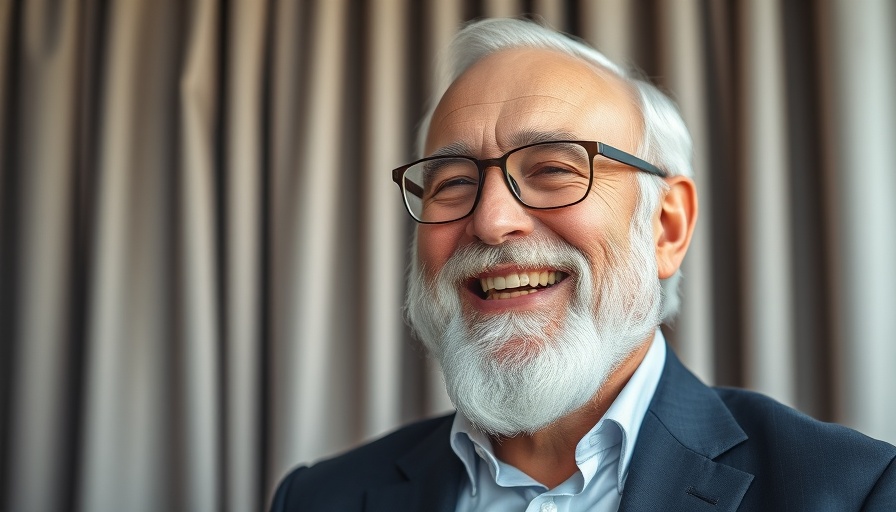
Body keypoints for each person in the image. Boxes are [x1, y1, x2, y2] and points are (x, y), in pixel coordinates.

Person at [271, 18, 895, 511]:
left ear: (666, 226)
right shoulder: (318, 499)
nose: (490, 222)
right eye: (454, 183)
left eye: (552, 170)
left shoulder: (856, 494)